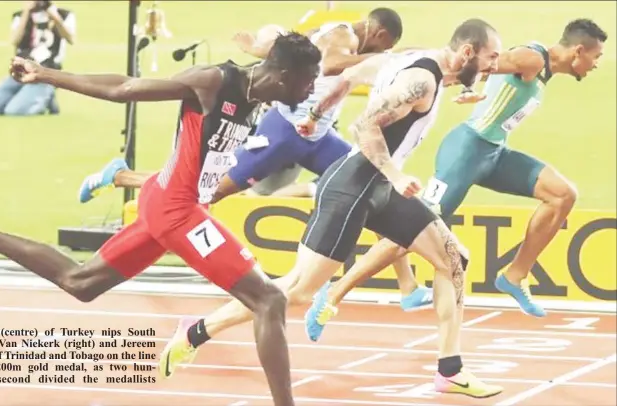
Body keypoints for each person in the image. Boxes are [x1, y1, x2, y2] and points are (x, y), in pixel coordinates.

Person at [0, 32, 322, 406]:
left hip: (168, 204)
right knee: (269, 299)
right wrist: (45, 75)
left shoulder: (264, 90)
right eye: (308, 83)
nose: (310, 91)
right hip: (176, 211)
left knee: (81, 283)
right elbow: (124, 89)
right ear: (284, 76)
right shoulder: (214, 81)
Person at [159, 18, 505, 398]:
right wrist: (394, 172)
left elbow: (351, 75)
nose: (494, 67)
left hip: (380, 187)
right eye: (491, 59)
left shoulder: (421, 63)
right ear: (467, 52)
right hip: (353, 185)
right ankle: (195, 331)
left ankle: (450, 369)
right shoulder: (419, 80)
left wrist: (316, 113)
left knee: (453, 259)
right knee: (295, 291)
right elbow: (365, 126)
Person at [79, 9, 435, 311]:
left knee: (368, 184)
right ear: (379, 33)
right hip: (282, 131)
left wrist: (259, 46)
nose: (384, 54)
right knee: (213, 190)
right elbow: (332, 65)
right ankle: (122, 176)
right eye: (385, 47)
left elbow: (288, 47)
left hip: (315, 136)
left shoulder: (338, 36)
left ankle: (408, 286)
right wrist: (389, 59)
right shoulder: (342, 36)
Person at [307, 18, 608, 326]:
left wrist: (473, 90)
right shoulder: (533, 58)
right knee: (412, 231)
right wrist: (469, 84)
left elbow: (488, 72)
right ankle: (333, 293)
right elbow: (485, 64)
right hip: (466, 151)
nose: (596, 64)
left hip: (494, 153)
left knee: (562, 194)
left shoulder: (544, 69)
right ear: (579, 51)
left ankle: (515, 276)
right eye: (596, 56)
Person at [0, 1, 75, 116]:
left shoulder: (64, 15)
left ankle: (47, 99)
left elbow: (70, 38)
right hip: (21, 72)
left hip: (46, 74)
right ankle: (29, 97)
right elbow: (15, 40)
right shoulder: (19, 16)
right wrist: (26, 13)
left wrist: (54, 17)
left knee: (14, 111)